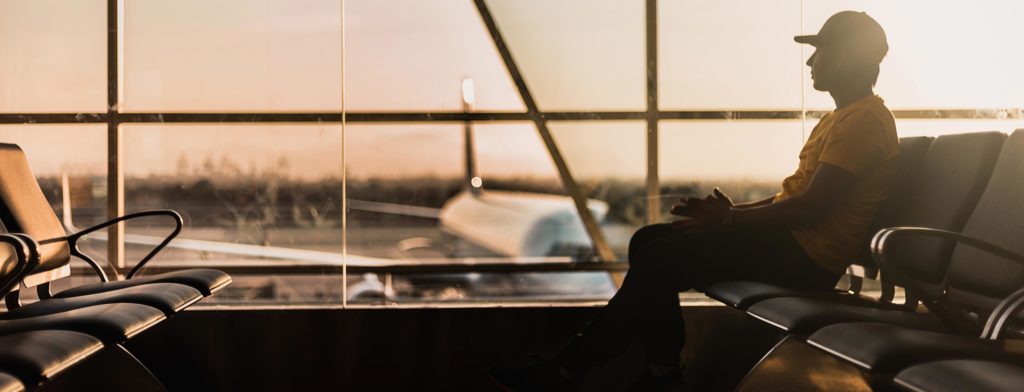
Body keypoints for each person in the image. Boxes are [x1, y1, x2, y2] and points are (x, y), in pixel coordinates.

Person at [490, 10, 899, 391]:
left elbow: (812, 208)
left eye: (820, 50)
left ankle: (574, 369)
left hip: (807, 259)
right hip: (793, 245)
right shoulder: (843, 117)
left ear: (845, 56)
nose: (811, 62)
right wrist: (728, 215)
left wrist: (730, 222)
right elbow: (795, 199)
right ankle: (657, 373)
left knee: (658, 256)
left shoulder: (863, 121)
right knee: (648, 240)